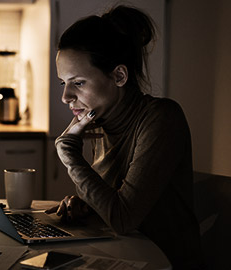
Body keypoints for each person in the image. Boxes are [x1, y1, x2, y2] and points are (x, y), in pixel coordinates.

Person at [45, 5, 203, 269]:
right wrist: (87, 204)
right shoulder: (101, 122)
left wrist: (68, 153)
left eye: (78, 83)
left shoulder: (161, 118)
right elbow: (113, 205)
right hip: (121, 259)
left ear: (119, 75)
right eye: (64, 83)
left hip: (163, 263)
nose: (65, 96)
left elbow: (123, 218)